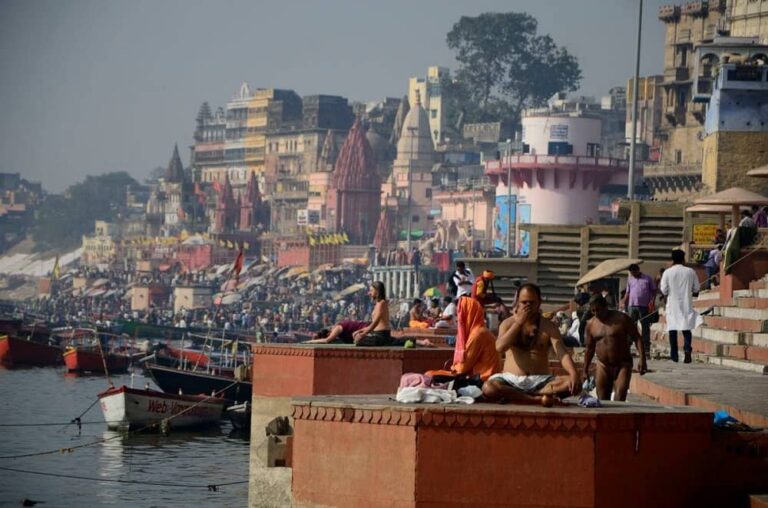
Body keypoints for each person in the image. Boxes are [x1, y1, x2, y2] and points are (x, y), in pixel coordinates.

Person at [482, 283, 580, 405]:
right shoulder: (507, 324)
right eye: (524, 302)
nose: (528, 306)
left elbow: (562, 353)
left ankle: (519, 397)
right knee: (489, 387)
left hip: (541, 382)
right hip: (511, 381)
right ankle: (536, 399)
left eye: (532, 303)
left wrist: (574, 373)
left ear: (539, 303)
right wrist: (518, 323)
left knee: (573, 383)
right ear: (517, 302)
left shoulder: (548, 327)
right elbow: (500, 347)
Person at [583, 295, 647, 401]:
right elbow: (589, 348)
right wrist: (585, 369)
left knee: (620, 397)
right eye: (593, 311)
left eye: (598, 310)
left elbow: (637, 338)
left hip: (622, 364)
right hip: (603, 365)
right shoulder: (590, 325)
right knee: (602, 400)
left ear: (605, 307)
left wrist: (642, 360)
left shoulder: (621, 319)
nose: (596, 313)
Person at [425, 297, 502, 382]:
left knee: (429, 375)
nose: (458, 319)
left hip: (483, 378)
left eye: (460, 314)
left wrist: (453, 368)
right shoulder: (478, 331)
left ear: (469, 314)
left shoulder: (478, 334)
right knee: (430, 374)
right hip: (476, 375)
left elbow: (462, 368)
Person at [660, 249, 701, 363]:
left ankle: (674, 356)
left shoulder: (667, 272)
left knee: (672, 330)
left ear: (673, 259)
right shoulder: (690, 271)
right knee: (686, 328)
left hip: (672, 306)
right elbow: (696, 288)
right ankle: (687, 350)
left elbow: (664, 290)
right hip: (686, 304)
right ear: (683, 259)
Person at [620, 264, 656, 358]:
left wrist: (652, 302)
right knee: (631, 327)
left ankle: (646, 350)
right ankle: (627, 348)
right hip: (632, 306)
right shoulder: (630, 279)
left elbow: (653, 291)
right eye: (631, 272)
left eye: (634, 272)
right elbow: (627, 292)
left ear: (638, 270)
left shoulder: (647, 278)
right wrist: (623, 301)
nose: (633, 274)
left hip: (644, 306)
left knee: (645, 327)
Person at [353, 281, 392, 346]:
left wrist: (363, 334)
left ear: (377, 291)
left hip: (382, 335)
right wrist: (359, 331)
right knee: (356, 336)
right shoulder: (378, 304)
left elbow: (375, 323)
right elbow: (372, 324)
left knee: (359, 340)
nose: (369, 293)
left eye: (371, 290)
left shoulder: (382, 303)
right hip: (377, 334)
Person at [305, 320, 369, 344]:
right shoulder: (339, 331)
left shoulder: (338, 328)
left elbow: (327, 340)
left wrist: (309, 342)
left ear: (328, 333)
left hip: (367, 330)